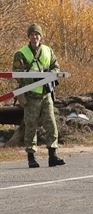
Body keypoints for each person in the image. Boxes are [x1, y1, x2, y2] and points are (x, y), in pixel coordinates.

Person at [12, 23, 65, 168]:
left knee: (51, 125)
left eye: (37, 34)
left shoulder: (48, 51)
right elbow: (17, 74)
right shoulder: (21, 53)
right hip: (30, 95)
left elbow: (56, 66)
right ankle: (31, 157)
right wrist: (34, 78)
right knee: (30, 126)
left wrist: (51, 74)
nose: (35, 37)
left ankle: (53, 156)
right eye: (32, 34)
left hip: (46, 94)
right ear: (28, 36)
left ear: (41, 36)